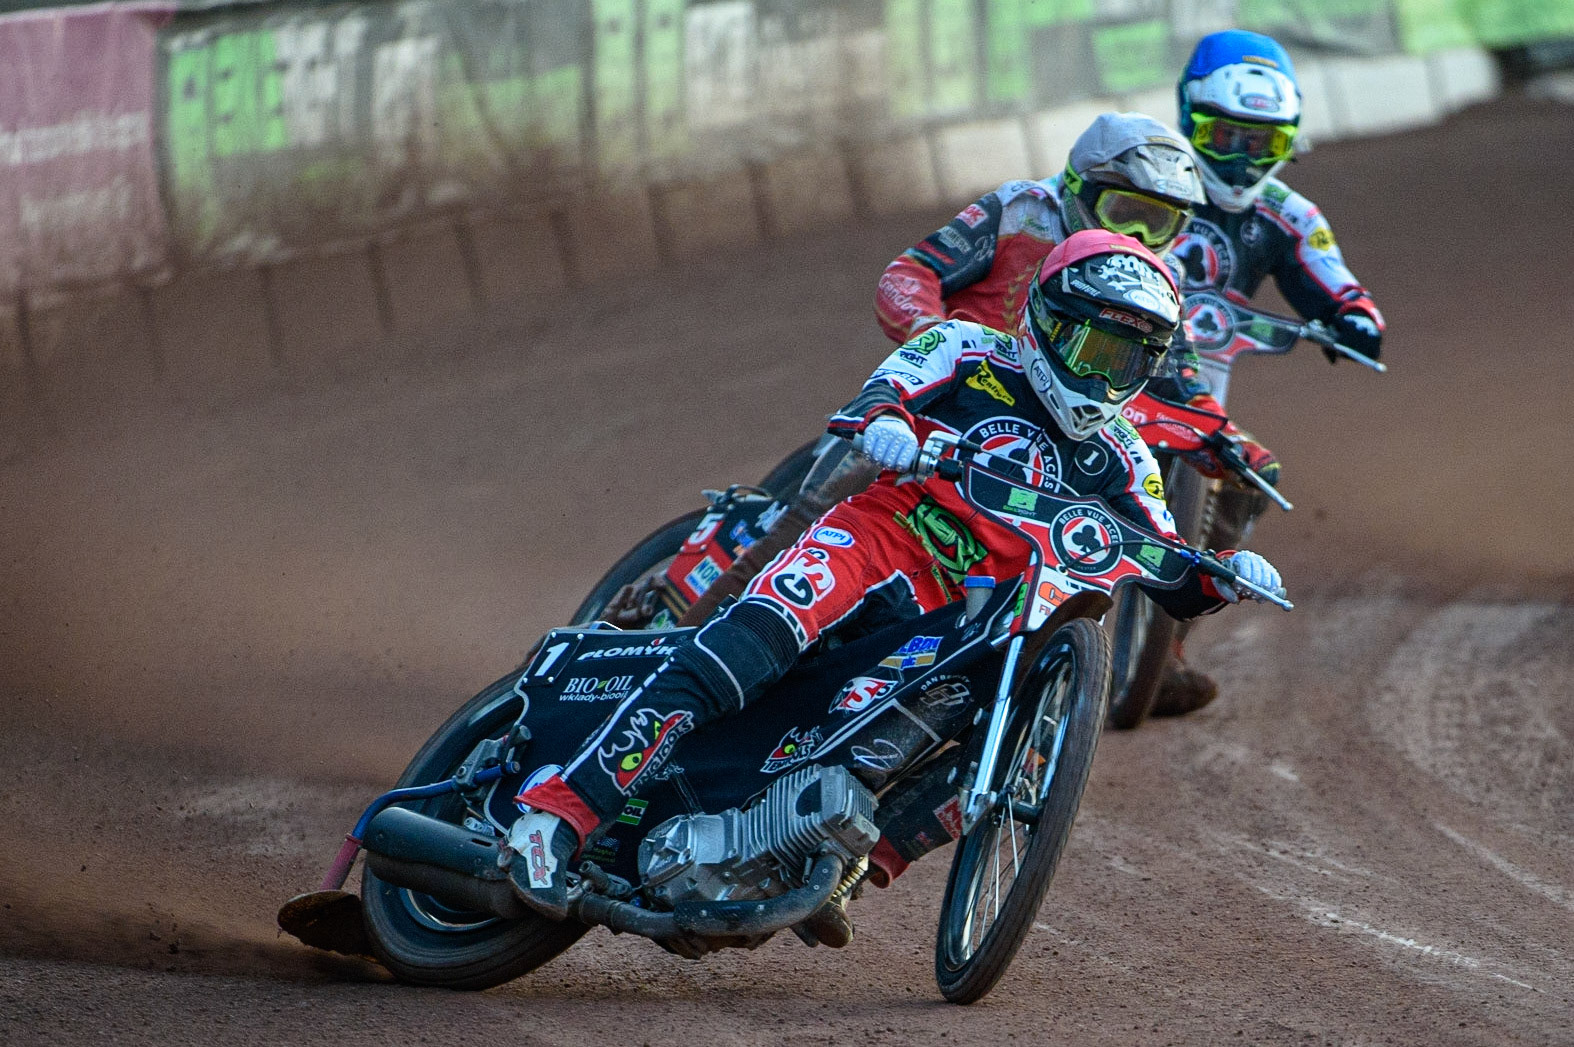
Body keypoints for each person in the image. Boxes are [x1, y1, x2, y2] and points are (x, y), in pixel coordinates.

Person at [504, 231, 1286, 927]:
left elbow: (1171, 570)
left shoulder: (1125, 457)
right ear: (1048, 322)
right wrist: (888, 423)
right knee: (742, 652)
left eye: (1130, 360)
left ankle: (844, 860)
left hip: (958, 613)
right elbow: (882, 394)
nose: (1107, 377)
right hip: (880, 538)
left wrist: (1225, 577)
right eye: (1096, 350)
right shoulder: (965, 349)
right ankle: (555, 816)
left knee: (991, 726)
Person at [874, 109, 1278, 710]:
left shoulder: (1153, 280)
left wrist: (1227, 442)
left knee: (1248, 472)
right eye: (1125, 213)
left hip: (1059, 422)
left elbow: (1181, 382)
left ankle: (1158, 653)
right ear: (1079, 189)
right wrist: (933, 338)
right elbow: (910, 273)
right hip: (952, 395)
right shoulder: (1020, 211)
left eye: (1159, 224)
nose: (1138, 240)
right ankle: (737, 594)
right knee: (848, 476)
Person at [1153, 29, 1386, 714]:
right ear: (1190, 118)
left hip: (1200, 401)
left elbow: (1332, 279)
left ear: (1287, 142)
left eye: (1263, 142)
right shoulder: (1146, 175)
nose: (1243, 156)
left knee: (1249, 477)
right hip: (1094, 371)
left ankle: (1165, 649)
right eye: (1227, 135)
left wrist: (1355, 317)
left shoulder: (1288, 215)